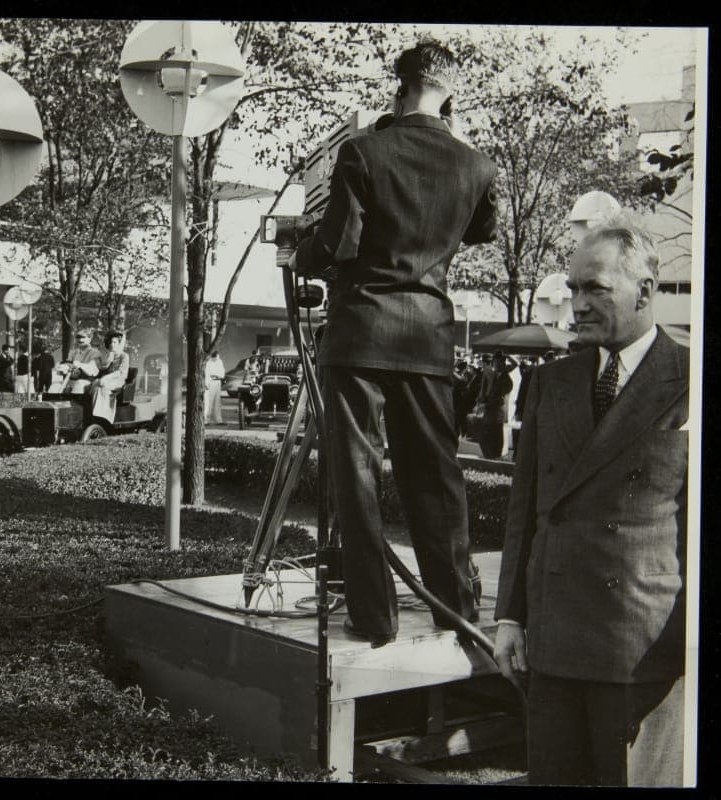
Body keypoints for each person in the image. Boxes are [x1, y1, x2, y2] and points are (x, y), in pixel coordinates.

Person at [289, 40, 498, 641]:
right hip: (428, 339)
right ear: (449, 92)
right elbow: (480, 230)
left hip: (359, 336)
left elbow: (337, 246)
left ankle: (373, 618)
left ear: (398, 85)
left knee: (357, 478)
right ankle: (455, 612)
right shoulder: (477, 166)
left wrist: (301, 249)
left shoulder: (363, 152)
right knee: (435, 478)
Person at [494, 224, 688, 786]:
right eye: (573, 288)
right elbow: (524, 513)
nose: (577, 305)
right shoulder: (551, 382)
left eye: (595, 289)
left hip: (641, 652)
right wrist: (510, 617)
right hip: (552, 649)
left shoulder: (689, 379)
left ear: (645, 291)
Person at [477, 350, 515, 458]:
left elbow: (501, 395)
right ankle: (490, 453)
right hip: (490, 407)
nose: (496, 364)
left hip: (497, 408)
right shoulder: (494, 374)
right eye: (495, 362)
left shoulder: (505, 376)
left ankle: (495, 453)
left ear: (502, 363)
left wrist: (508, 355)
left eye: (498, 362)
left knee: (497, 432)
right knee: (489, 431)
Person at [89, 331, 131, 424]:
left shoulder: (124, 356)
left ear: (119, 344)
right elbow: (102, 367)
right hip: (108, 379)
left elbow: (120, 372)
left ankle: (105, 418)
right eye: (111, 342)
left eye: (115, 342)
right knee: (95, 384)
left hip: (118, 381)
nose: (112, 345)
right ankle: (93, 413)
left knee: (102, 386)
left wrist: (106, 378)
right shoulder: (109, 356)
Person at [65, 330, 103, 394]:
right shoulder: (73, 352)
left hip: (89, 381)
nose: (80, 340)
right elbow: (68, 364)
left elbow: (93, 371)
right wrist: (64, 367)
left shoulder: (95, 352)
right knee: (56, 385)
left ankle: (75, 403)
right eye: (78, 337)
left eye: (83, 337)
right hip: (71, 380)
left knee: (79, 383)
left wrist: (80, 365)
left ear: (89, 339)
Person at [204, 350, 225, 424]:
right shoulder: (208, 362)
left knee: (217, 402)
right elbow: (207, 374)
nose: (217, 358)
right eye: (216, 357)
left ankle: (218, 420)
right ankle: (206, 420)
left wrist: (217, 375)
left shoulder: (220, 361)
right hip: (211, 382)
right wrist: (206, 384)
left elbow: (222, 374)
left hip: (218, 382)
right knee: (209, 402)